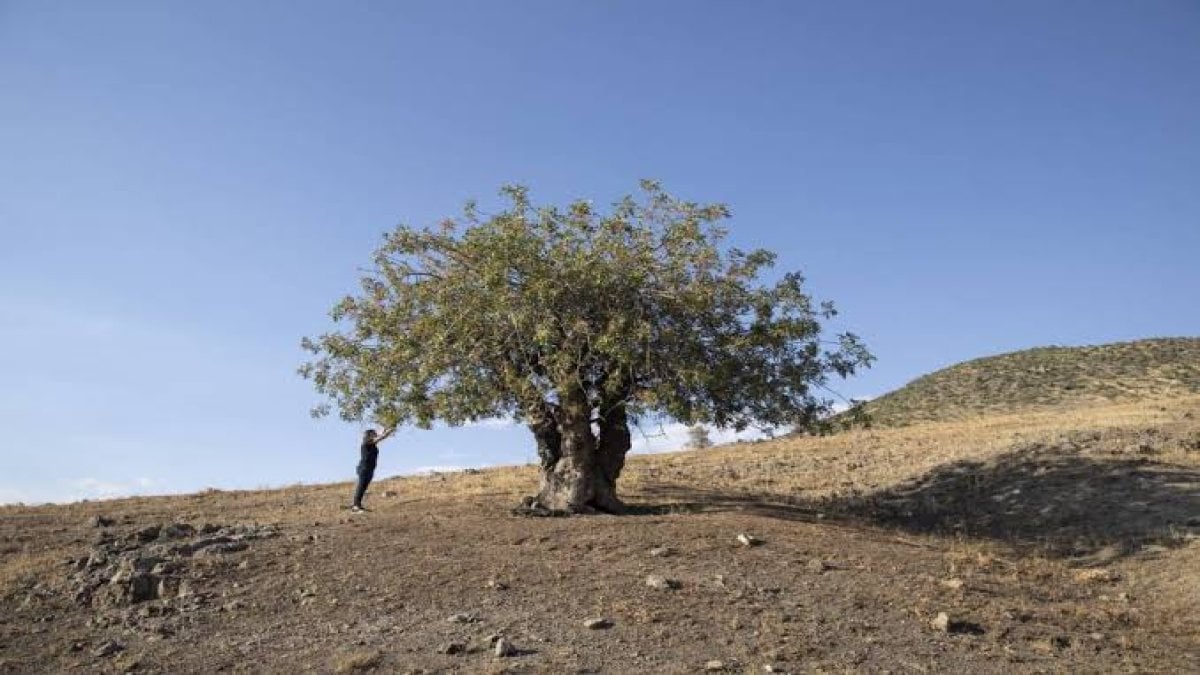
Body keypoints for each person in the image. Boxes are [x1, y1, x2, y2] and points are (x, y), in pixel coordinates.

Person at [351, 427, 394, 512]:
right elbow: (381, 437)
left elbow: (380, 435)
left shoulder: (373, 444)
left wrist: (385, 429)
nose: (375, 434)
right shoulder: (366, 443)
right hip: (364, 468)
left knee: (364, 487)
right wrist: (388, 433)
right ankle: (355, 505)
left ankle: (357, 504)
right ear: (369, 435)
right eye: (374, 433)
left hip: (370, 468)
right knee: (361, 486)